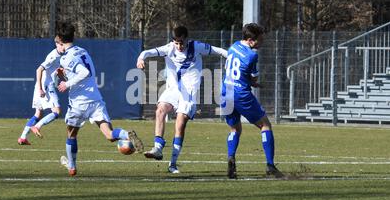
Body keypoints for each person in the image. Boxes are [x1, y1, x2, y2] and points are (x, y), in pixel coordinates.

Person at [55, 21, 144, 176]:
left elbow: (84, 73)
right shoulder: (82, 51)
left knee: (71, 135)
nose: (56, 47)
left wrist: (66, 83)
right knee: (109, 135)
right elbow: (82, 70)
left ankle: (72, 166)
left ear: (61, 43)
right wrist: (65, 74)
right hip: (95, 99)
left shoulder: (66, 58)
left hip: (79, 102)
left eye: (56, 44)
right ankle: (125, 134)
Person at [136, 26, 228, 173]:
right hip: (172, 90)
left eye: (181, 42)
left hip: (189, 93)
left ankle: (172, 164)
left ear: (187, 39)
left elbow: (219, 51)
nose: (179, 46)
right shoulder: (169, 48)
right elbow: (147, 52)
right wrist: (140, 59)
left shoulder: (197, 46)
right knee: (160, 111)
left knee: (179, 124)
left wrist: (231, 58)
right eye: (176, 42)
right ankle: (158, 148)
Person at [221, 23, 284, 179]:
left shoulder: (233, 47)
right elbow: (253, 77)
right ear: (250, 40)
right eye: (259, 40)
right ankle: (270, 165)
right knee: (265, 125)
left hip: (225, 92)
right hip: (241, 94)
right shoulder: (252, 55)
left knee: (235, 129)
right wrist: (252, 82)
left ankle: (231, 158)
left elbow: (229, 70)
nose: (261, 43)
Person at [17, 46, 62, 145]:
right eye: (61, 44)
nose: (64, 47)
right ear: (57, 44)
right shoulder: (54, 56)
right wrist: (41, 88)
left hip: (40, 86)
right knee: (57, 111)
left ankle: (23, 137)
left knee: (38, 114)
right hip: (46, 86)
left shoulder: (61, 55)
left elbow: (55, 71)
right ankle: (37, 126)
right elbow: (39, 70)